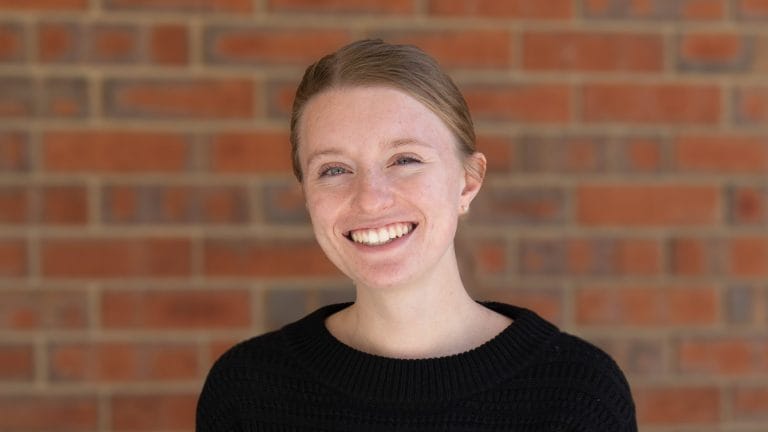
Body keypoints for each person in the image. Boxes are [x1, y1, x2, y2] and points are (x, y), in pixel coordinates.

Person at [196, 39, 637, 431]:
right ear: (308, 195)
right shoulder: (248, 390)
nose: (370, 198)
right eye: (333, 169)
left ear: (467, 182)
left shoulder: (578, 393)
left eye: (404, 159)